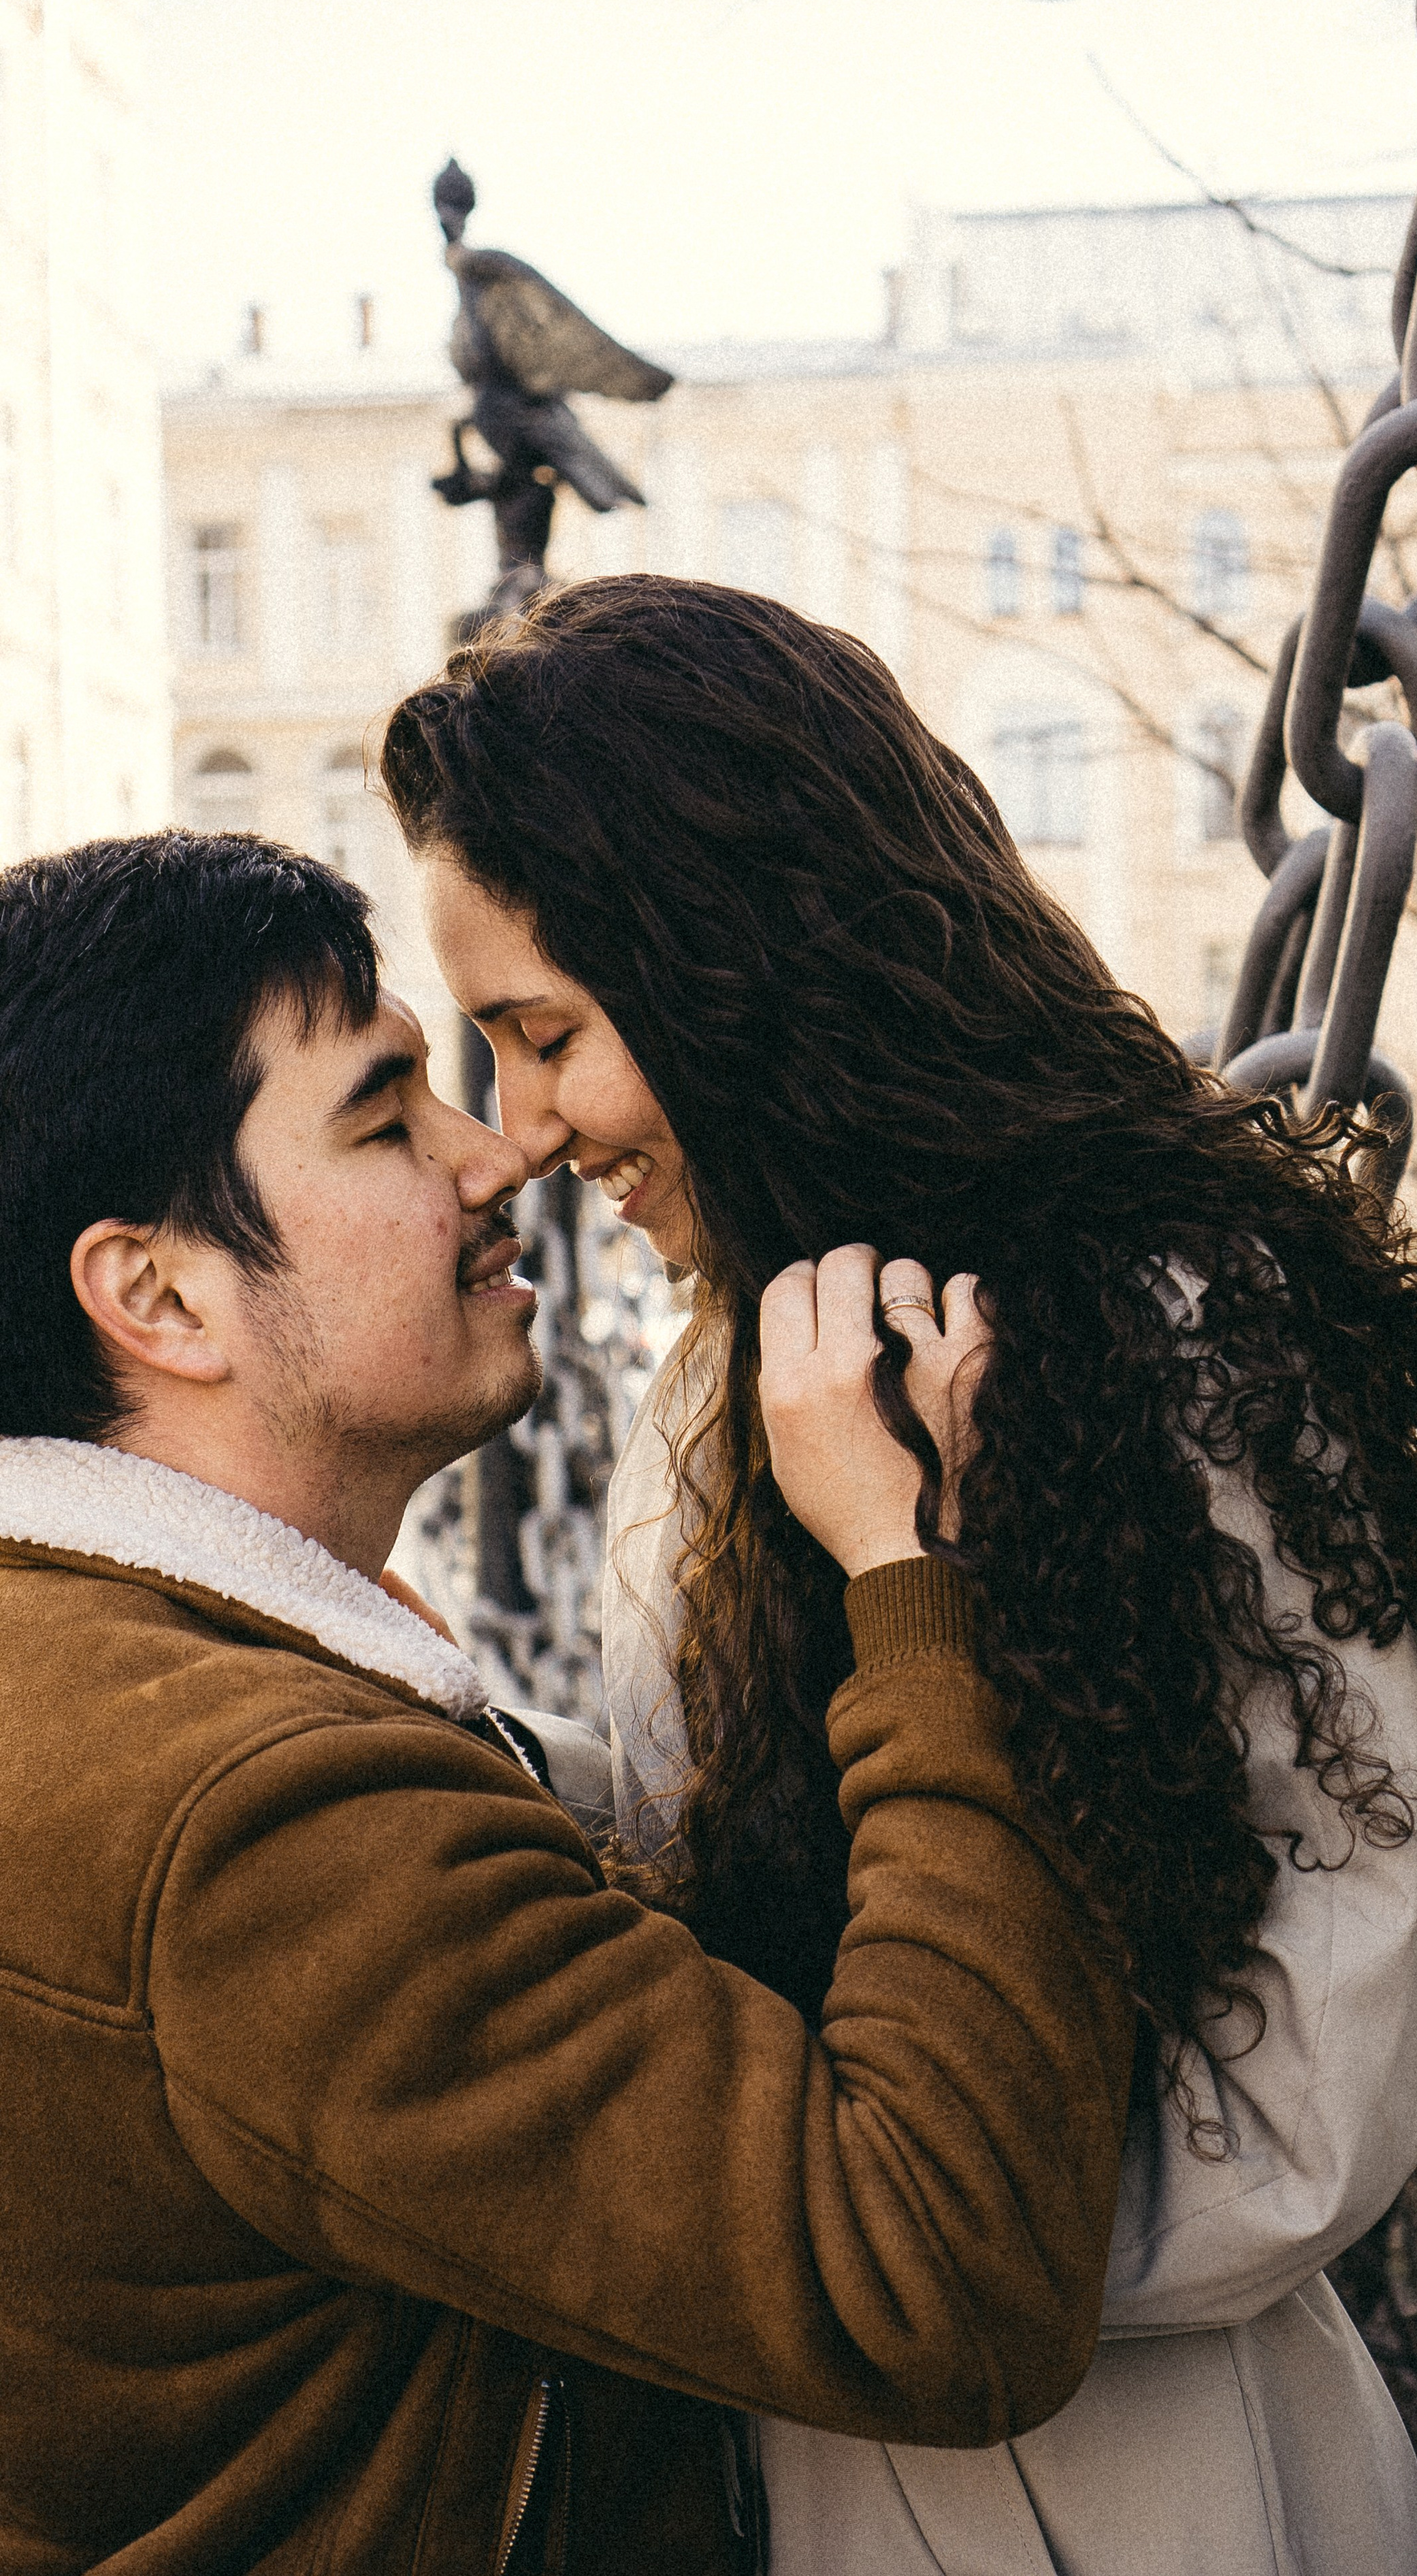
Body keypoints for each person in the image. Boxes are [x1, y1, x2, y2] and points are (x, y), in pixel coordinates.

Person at [382, 574, 1417, 2576]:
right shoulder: (735, 1374)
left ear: (728, 969)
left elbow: (1330, 2078)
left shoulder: (1175, 1336)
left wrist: (867, 2213)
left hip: (1150, 2485)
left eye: (548, 1037)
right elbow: (730, 1862)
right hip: (812, 2443)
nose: (519, 1130)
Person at [0, 832, 1137, 2576]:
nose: (493, 1153)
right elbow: (937, 2280)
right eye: (387, 1120)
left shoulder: (79, 1665)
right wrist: (923, 1587)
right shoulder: (265, 1825)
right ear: (158, 1293)